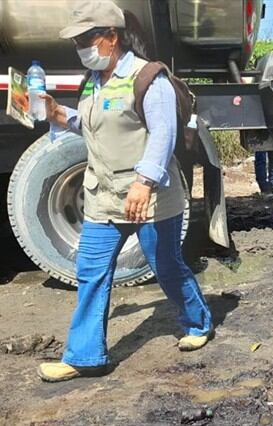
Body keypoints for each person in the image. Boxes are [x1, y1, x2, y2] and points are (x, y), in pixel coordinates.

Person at [36, 0, 213, 382]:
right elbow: (92, 125)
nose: (80, 47)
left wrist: (143, 183)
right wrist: (58, 114)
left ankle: (198, 322)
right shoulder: (92, 81)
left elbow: (163, 135)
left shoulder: (148, 77)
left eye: (86, 39)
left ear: (111, 37)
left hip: (148, 195)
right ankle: (85, 356)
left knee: (165, 265)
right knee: (91, 271)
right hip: (103, 195)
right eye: (76, 41)